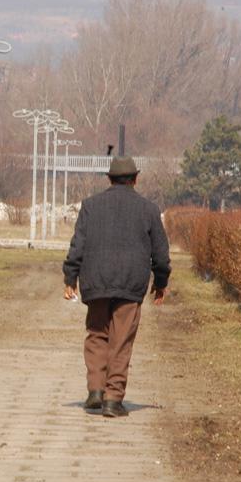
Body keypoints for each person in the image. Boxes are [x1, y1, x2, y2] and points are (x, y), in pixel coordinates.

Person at [62, 156, 171, 418]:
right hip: (130, 284)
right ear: (135, 179)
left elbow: (77, 245)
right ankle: (113, 398)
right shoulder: (148, 209)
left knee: (97, 335)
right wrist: (160, 282)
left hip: (96, 281)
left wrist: (70, 278)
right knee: (121, 341)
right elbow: (161, 252)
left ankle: (95, 392)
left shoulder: (90, 206)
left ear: (109, 179)